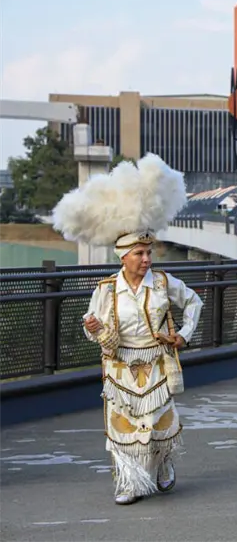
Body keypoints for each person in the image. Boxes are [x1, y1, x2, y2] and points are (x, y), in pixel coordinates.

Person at [52, 154, 203, 505]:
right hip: (120, 368)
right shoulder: (105, 289)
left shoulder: (165, 282)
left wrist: (184, 334)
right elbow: (94, 327)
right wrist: (93, 328)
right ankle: (128, 481)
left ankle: (162, 464)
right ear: (124, 256)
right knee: (122, 430)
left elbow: (195, 302)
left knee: (158, 426)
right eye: (139, 253)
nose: (147, 259)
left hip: (157, 364)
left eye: (149, 251)